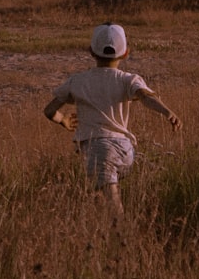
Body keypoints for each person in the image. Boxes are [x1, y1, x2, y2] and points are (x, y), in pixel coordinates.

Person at [43, 22, 181, 215]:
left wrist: (63, 120)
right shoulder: (128, 79)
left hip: (100, 150)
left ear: (91, 51)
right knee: (101, 196)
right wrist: (167, 112)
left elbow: (49, 110)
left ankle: (122, 237)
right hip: (126, 151)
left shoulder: (78, 81)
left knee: (114, 208)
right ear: (125, 53)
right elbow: (145, 96)